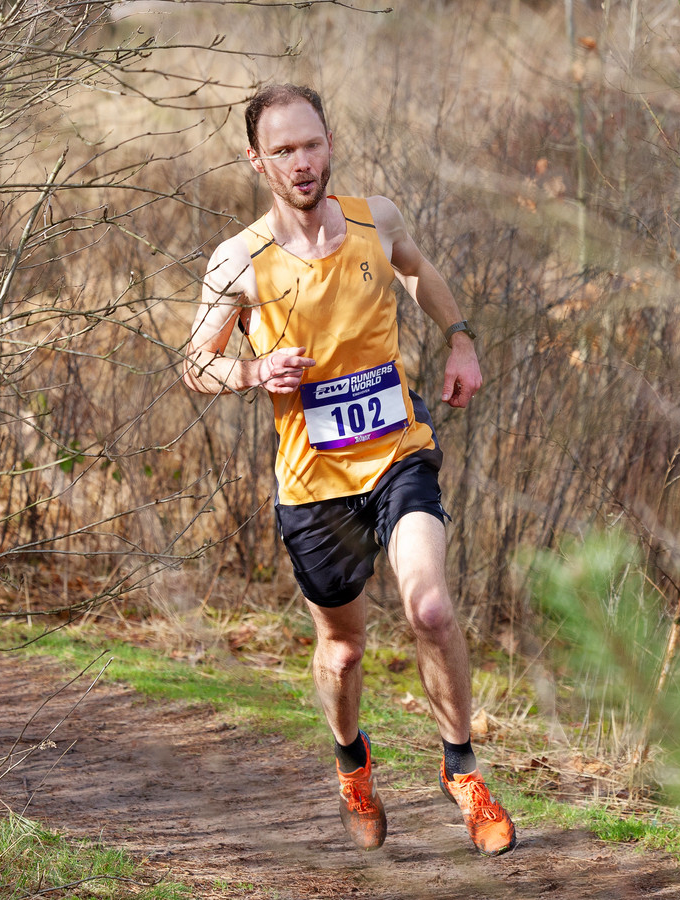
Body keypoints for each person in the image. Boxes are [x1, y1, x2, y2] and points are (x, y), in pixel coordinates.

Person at [182, 83, 516, 857]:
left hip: (398, 452)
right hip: (314, 486)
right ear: (257, 161)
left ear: (330, 142)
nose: (304, 163)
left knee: (430, 607)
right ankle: (353, 764)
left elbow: (418, 270)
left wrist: (460, 339)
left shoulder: (376, 219)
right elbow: (195, 360)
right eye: (285, 151)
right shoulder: (240, 261)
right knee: (344, 650)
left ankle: (461, 770)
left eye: (313, 144)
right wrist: (251, 372)